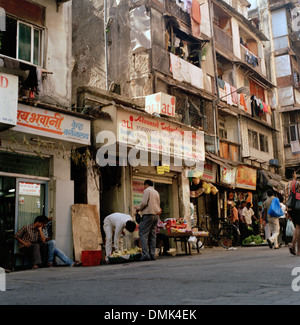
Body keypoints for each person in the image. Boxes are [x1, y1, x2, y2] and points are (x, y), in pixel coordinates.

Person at [136, 179, 161, 261]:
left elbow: (144, 203)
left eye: (144, 185)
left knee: (143, 234)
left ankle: (145, 255)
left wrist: (138, 209)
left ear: (146, 184)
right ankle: (152, 255)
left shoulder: (147, 190)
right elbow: (158, 204)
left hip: (148, 215)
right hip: (155, 216)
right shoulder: (156, 192)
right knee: (153, 236)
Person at [285, 170, 300, 255]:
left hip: (290, 208)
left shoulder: (285, 185)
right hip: (297, 207)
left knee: (297, 227)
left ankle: (293, 244)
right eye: (295, 173)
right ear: (292, 174)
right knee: (299, 227)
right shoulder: (296, 183)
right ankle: (297, 249)